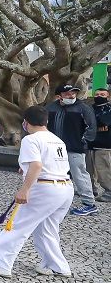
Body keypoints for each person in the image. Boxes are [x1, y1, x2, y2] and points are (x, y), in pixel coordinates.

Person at [0, 105, 74, 278]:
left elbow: (37, 165)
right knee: (47, 228)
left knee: (19, 224)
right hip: (64, 187)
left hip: (45, 188)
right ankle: (57, 265)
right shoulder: (57, 139)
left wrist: (24, 189)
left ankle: (0, 262)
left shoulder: (31, 140)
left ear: (25, 122)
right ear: (46, 121)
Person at [45, 84, 98, 216]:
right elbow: (43, 124)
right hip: (54, 148)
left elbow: (91, 127)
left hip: (75, 148)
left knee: (79, 174)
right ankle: (58, 201)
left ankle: (89, 204)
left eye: (73, 93)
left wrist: (82, 142)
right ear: (59, 96)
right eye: (68, 93)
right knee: (56, 175)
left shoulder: (83, 108)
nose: (72, 95)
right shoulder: (50, 108)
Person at [87, 87, 111, 202]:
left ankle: (109, 191)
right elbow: (85, 122)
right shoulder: (89, 108)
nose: (99, 96)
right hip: (89, 143)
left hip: (105, 145)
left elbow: (104, 122)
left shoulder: (109, 109)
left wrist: (93, 125)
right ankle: (91, 189)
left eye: (102, 94)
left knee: (104, 170)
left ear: (108, 96)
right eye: (97, 94)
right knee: (88, 169)